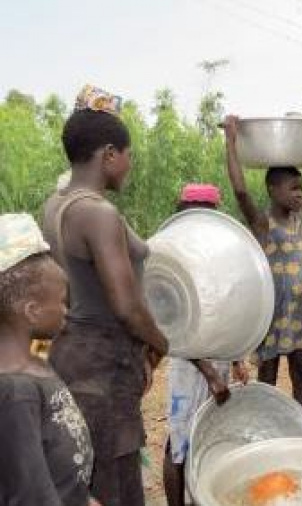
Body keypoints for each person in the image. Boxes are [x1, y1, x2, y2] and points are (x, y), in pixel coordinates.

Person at [41, 85, 169, 506]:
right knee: (115, 484)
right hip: (104, 368)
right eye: (128, 154)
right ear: (109, 154)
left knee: (85, 476)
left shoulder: (55, 204)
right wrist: (159, 342)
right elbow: (126, 305)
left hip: (72, 352)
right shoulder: (98, 213)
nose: (130, 164)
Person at [223, 114, 302, 412]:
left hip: (300, 314)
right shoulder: (263, 224)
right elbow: (241, 191)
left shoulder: (299, 216)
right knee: (267, 378)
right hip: (273, 313)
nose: (299, 194)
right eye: (293, 188)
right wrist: (230, 141)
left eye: (300, 188)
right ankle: (267, 430)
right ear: (272, 190)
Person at [0, 214, 99, 506]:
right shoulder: (15, 394)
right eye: (61, 300)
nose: (66, 310)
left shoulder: (34, 354)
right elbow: (31, 495)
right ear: (32, 311)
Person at [163, 184, 250, 506]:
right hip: (188, 368)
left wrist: (238, 357)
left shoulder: (218, 256)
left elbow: (232, 307)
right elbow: (177, 329)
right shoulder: (173, 262)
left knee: (208, 434)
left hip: (220, 358)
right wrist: (210, 374)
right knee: (178, 445)